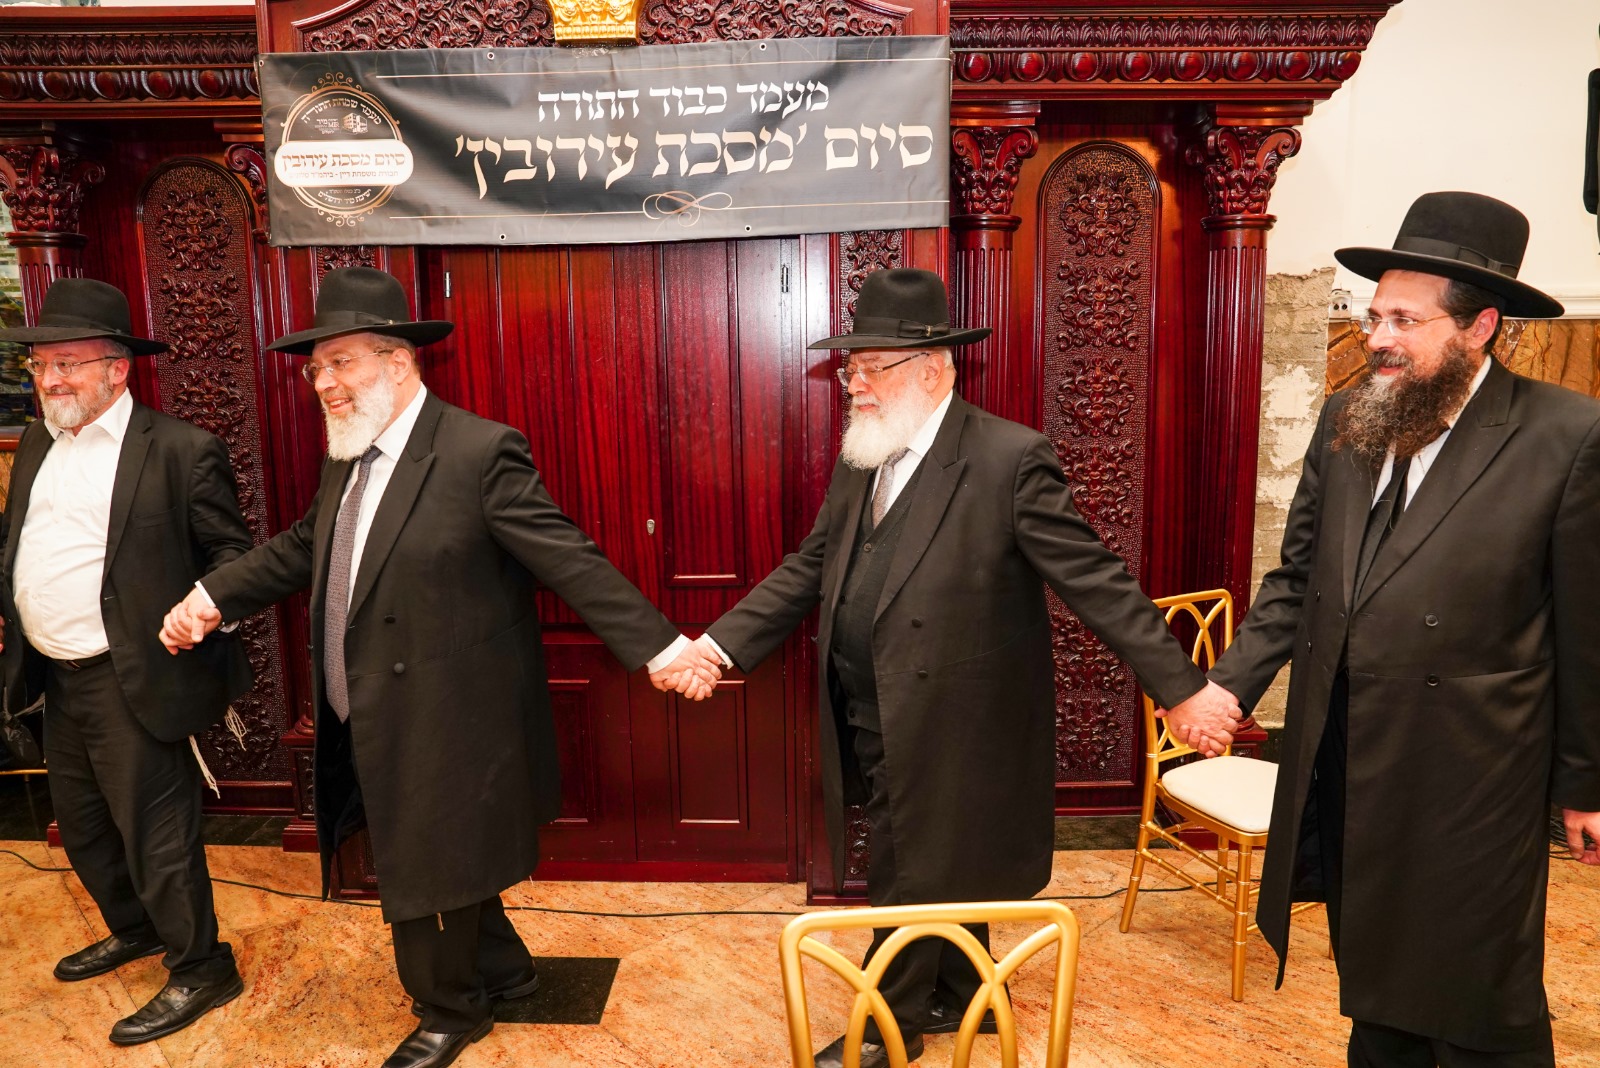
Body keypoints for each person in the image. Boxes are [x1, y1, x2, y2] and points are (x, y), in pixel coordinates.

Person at [157, 267, 719, 1068]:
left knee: (425, 865)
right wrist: (211, 595)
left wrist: (664, 650)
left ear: (397, 362)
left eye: (341, 362)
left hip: (449, 714)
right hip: (368, 708)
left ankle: (448, 1010)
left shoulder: (479, 451)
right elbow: (303, 546)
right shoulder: (348, 455)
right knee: (438, 854)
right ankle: (505, 971)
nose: (324, 383)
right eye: (316, 368)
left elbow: (569, 558)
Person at [689, 268, 1243, 1068]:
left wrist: (1182, 688)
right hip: (868, 706)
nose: (854, 386)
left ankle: (890, 1027)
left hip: (956, 719)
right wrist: (718, 646)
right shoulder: (863, 457)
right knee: (945, 858)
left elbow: (1095, 579)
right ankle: (963, 991)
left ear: (931, 370)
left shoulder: (1008, 458)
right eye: (850, 370)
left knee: (909, 868)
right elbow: (811, 565)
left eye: (869, 369)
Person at [1208, 191, 1600, 1068]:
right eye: (1373, 315)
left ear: (1480, 327)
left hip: (1475, 772)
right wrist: (1228, 685)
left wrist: (1587, 784)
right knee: (1377, 977)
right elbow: (1299, 580)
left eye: (1404, 321)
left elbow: (1589, 631)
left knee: (1477, 998)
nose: (1377, 337)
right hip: (1354, 753)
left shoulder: (1567, 436)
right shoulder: (1349, 417)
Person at [0, 278, 252, 1044]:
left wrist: (203, 610)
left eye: (67, 363)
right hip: (55, 676)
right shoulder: (38, 442)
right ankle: (136, 929)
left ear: (118, 368)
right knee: (82, 829)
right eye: (40, 365)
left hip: (134, 676)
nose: (49, 380)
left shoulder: (180, 451)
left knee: (156, 837)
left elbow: (233, 557)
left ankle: (203, 966)